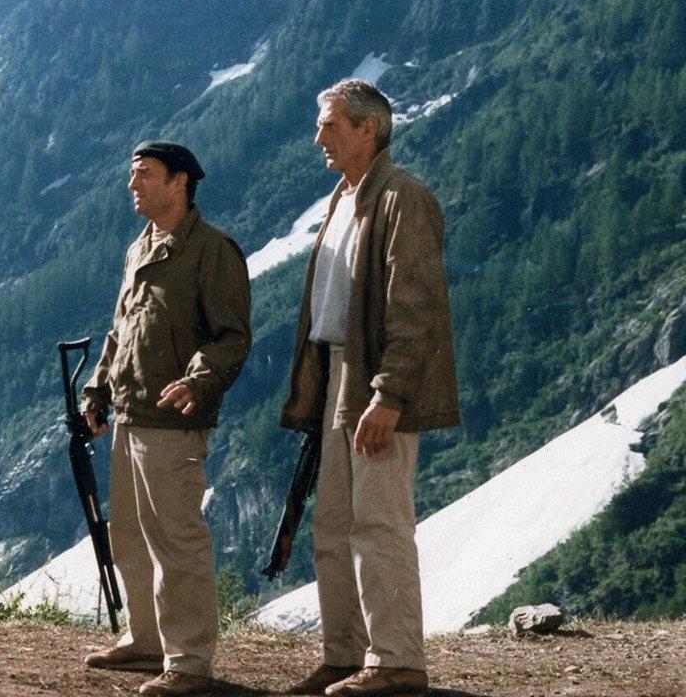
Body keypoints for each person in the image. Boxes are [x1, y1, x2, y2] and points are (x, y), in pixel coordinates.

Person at [281, 79, 459, 697]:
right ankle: (344, 656)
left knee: (380, 522)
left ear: (369, 129)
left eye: (330, 125)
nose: (318, 138)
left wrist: (388, 395)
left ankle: (399, 661)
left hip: (375, 382)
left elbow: (415, 307)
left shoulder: (403, 198)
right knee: (333, 525)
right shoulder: (344, 197)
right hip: (340, 374)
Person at [80, 141, 252, 696]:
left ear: (180, 182)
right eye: (133, 175)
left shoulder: (212, 251)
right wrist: (97, 389)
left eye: (145, 175)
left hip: (174, 419)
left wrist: (198, 382)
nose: (133, 185)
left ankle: (190, 662)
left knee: (176, 539)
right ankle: (146, 641)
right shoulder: (141, 247)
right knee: (130, 535)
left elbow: (231, 336)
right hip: (130, 412)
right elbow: (121, 329)